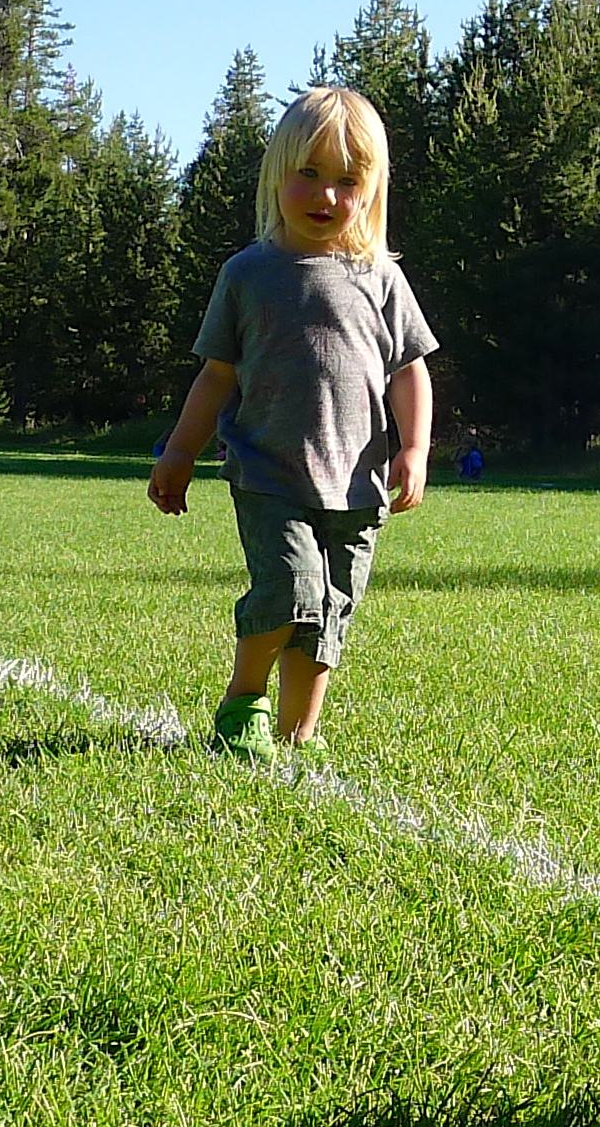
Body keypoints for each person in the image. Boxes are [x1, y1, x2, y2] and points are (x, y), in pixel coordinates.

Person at [148, 86, 436, 763]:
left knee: (330, 609)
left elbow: (409, 371)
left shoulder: (380, 278)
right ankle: (244, 700)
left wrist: (416, 448)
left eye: (347, 181)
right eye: (308, 173)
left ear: (370, 190)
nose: (326, 195)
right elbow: (216, 375)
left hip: (357, 485)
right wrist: (180, 451)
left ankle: (298, 732)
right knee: (290, 589)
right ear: (277, 174)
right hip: (270, 472)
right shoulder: (249, 274)